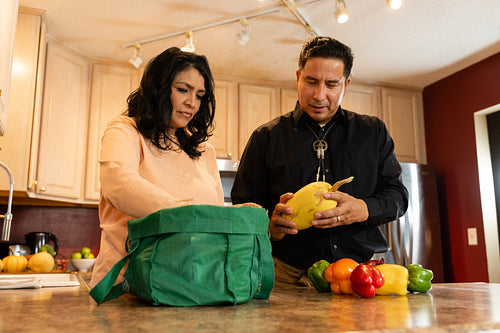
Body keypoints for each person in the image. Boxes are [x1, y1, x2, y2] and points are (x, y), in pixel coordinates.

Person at [231, 37, 409, 287]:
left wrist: (362, 209)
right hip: (285, 275)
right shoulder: (266, 137)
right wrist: (269, 226)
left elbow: (398, 196)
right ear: (298, 77)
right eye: (311, 82)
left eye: (332, 84)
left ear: (346, 84)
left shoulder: (373, 132)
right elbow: (242, 207)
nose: (319, 95)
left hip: (365, 273)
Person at [90, 47, 225, 288]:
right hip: (127, 286)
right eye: (182, 90)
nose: (191, 103)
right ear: (159, 88)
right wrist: (191, 217)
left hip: (187, 286)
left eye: (199, 95)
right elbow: (118, 184)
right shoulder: (125, 130)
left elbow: (215, 219)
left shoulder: (205, 152)